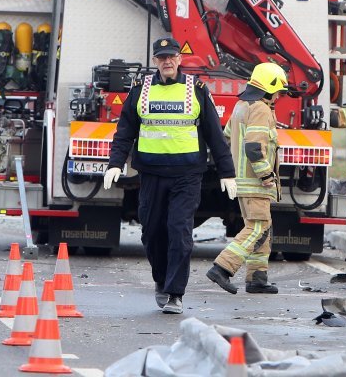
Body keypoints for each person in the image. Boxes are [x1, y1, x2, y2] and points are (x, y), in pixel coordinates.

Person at [103, 37, 235, 314]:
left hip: (187, 176)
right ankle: (161, 280)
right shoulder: (141, 89)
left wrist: (227, 172)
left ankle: (175, 293)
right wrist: (115, 164)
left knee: (179, 232)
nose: (167, 61)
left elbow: (214, 132)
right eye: (162, 57)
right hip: (151, 175)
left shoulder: (196, 89)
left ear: (179, 59)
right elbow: (125, 129)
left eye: (171, 56)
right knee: (151, 233)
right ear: (155, 62)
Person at [206, 63, 288, 296]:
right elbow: (254, 148)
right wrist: (266, 175)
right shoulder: (261, 109)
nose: (280, 97)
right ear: (269, 86)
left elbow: (227, 136)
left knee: (264, 228)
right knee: (258, 226)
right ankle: (222, 267)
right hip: (256, 182)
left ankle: (257, 278)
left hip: (242, 181)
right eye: (279, 91)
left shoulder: (242, 105)